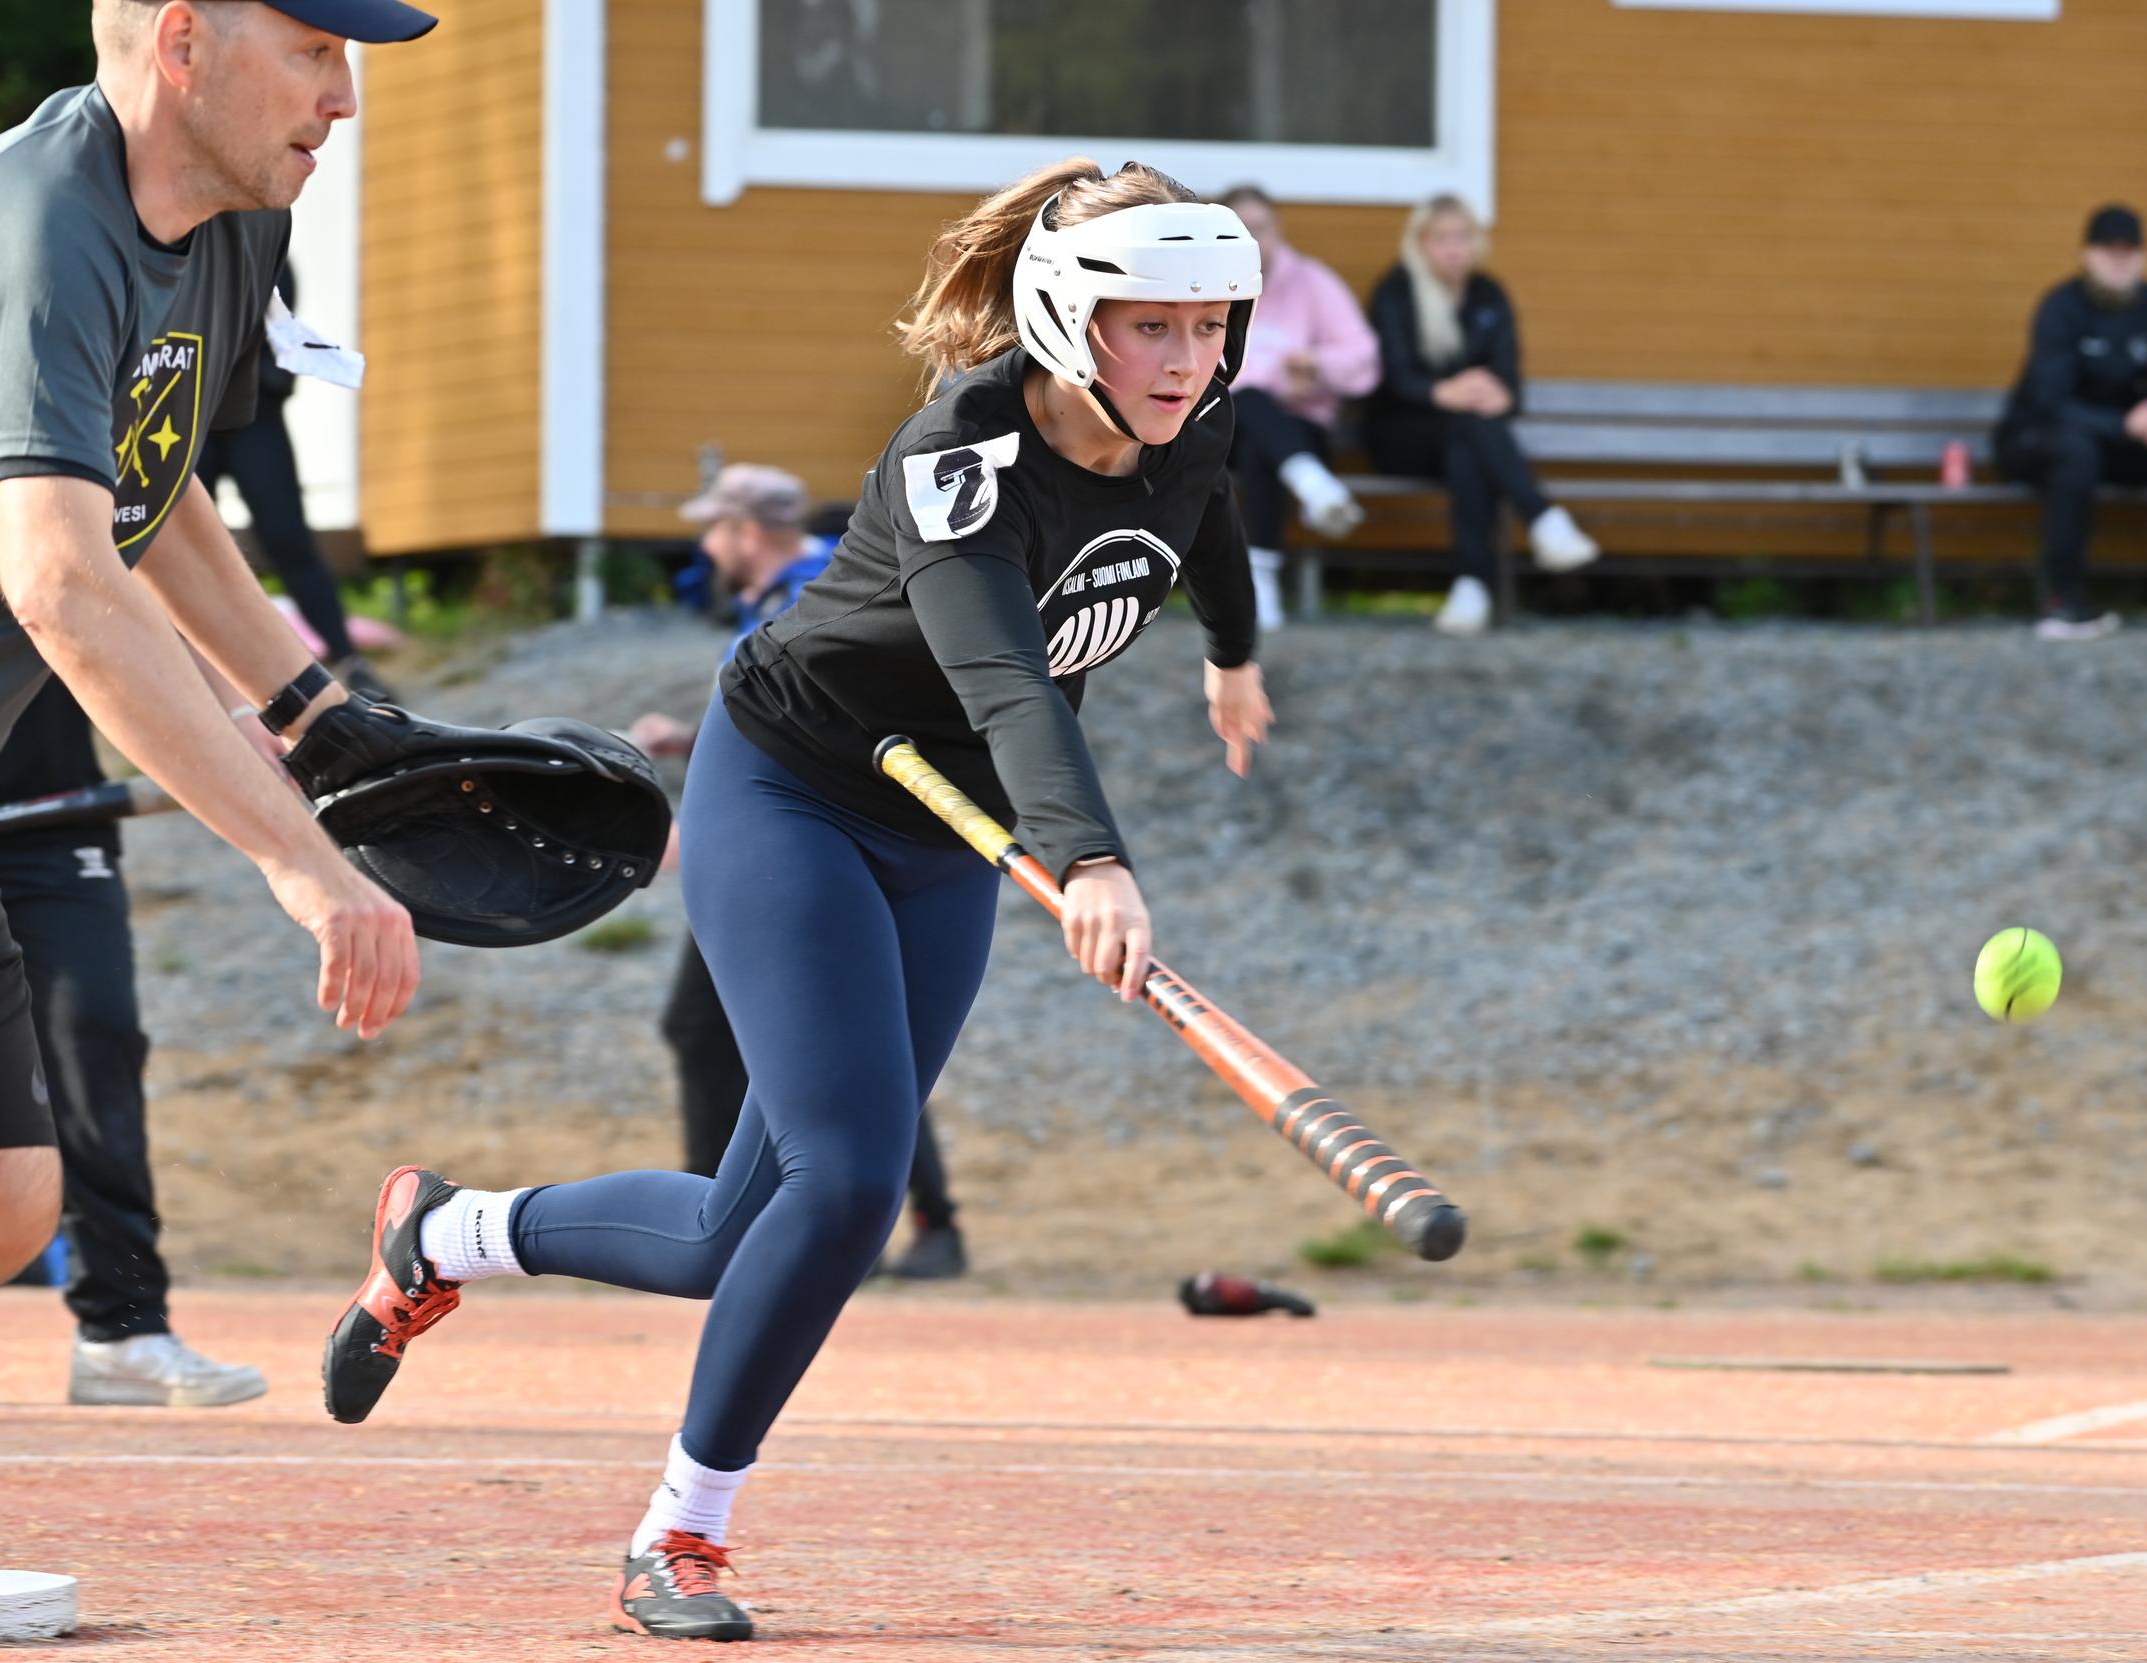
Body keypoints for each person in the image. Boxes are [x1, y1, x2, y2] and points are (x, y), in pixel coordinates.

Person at [321, 157, 1273, 1642]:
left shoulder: (1195, 417)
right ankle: (678, 1534)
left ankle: (445, 1234)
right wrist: (1090, 856)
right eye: (1152, 325)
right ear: (1066, 315)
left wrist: (1233, 654)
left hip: (942, 831)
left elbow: (1203, 512)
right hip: (793, 792)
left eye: (1210, 325)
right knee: (848, 1183)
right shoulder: (959, 457)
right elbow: (1005, 678)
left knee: (733, 1232)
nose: (1187, 359)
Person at [0, 0, 436, 1462]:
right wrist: (301, 859)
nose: (346, 98)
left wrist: (323, 714)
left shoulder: (234, 222)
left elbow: (154, 494)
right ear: (183, 46)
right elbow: (60, 581)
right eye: (315, 54)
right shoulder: (39, 224)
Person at [0, 134, 269, 1410]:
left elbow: (138, 560)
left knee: (97, 1044)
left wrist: (253, 710)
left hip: (50, 805)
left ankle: (124, 1327)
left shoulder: (62, 368)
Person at [632, 464, 969, 1281]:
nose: (707, 545)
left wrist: (710, 821)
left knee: (787, 1037)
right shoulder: (821, 581)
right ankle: (886, 1223)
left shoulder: (807, 592)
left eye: (714, 528)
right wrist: (694, 742)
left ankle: (728, 1225)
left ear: (747, 532)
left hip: (805, 842)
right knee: (838, 1039)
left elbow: (831, 723)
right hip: (819, 832)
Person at [1363, 194, 1598, 637]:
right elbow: (1394, 377)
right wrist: (1444, 391)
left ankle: (1471, 587)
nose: (1454, 248)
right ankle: (1542, 517)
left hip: (1464, 436)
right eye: (1442, 238)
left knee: (1468, 445)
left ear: (1476, 242)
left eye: (1462, 237)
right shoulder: (1396, 292)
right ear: (1420, 243)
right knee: (1470, 428)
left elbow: (1509, 379)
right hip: (1401, 435)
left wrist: (1496, 394)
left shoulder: (1489, 294)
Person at [1995, 204, 2147, 640]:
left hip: (2118, 440)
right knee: (2075, 452)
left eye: (2130, 250)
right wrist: (2125, 424)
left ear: (2143, 256)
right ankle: (2061, 601)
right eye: (2109, 250)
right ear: (2087, 255)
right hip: (2037, 439)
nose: (2120, 260)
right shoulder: (2061, 307)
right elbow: (2050, 401)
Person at [196, 257, 397, 701]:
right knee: (187, 551)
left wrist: (271, 380)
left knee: (289, 539)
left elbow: (278, 311)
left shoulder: (256, 239)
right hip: (188, 420)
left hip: (255, 416)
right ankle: (204, 684)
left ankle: (350, 662)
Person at [1220, 185, 1381, 631]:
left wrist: (1316, 363)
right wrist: (1276, 378)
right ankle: (1313, 486)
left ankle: (1261, 579)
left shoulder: (1313, 282)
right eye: (1240, 231)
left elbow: (1363, 359)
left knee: (1262, 447)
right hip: (1222, 429)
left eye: (1261, 228)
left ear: (1279, 230)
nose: (1254, 240)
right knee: (1251, 401)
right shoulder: (1206, 286)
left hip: (1302, 429)